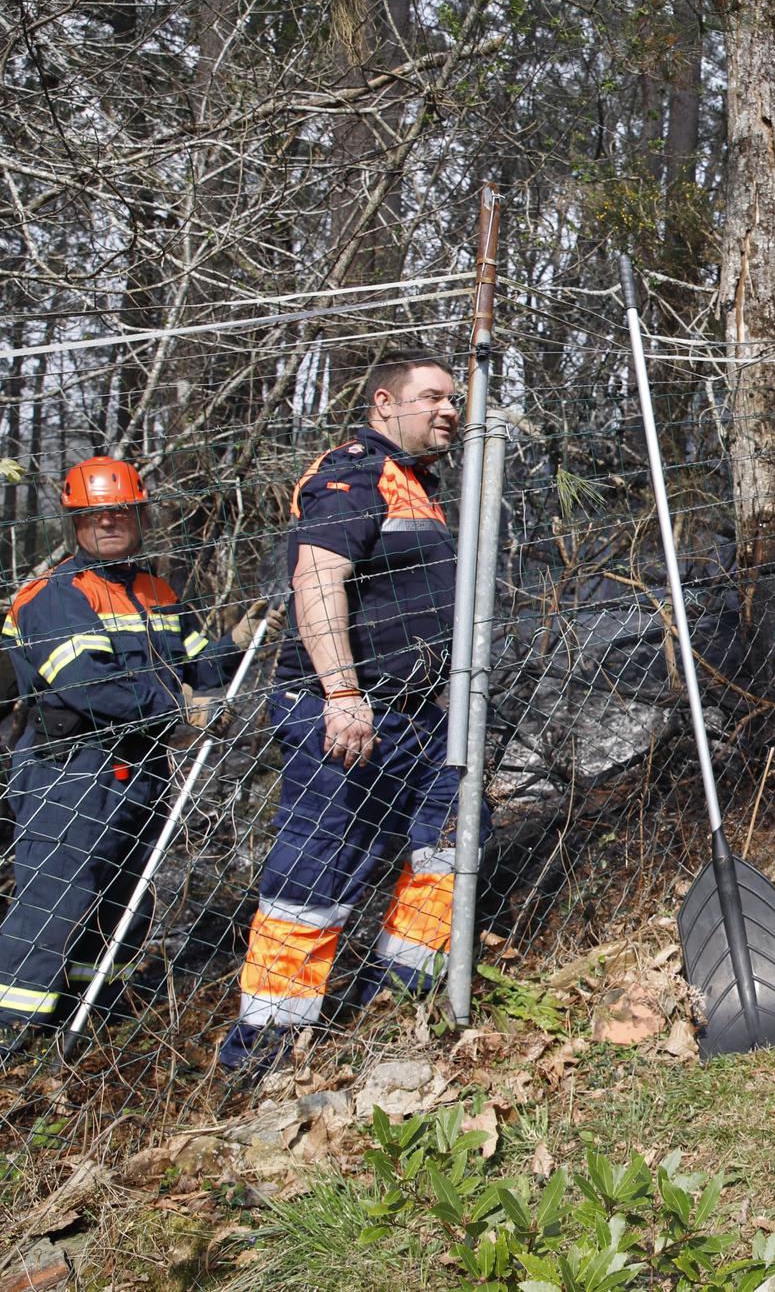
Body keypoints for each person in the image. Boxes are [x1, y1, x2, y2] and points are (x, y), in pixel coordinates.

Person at [217, 348, 466, 1074]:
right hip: (350, 711)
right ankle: (264, 1052)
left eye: (452, 397)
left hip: (422, 714)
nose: (449, 409)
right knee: (315, 876)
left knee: (447, 849)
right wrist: (344, 695)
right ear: (385, 404)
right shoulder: (354, 474)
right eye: (431, 396)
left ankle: (398, 1001)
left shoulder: (418, 485)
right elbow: (317, 582)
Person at [0, 458, 255, 1062]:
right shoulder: (54, 596)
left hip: (140, 766)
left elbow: (194, 665)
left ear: (140, 515)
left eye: (121, 511)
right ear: (76, 522)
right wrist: (182, 707)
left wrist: (235, 648)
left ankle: (94, 1010)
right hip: (71, 769)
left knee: (126, 894)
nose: (110, 522)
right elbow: (90, 686)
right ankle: (13, 1029)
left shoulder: (155, 591)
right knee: (55, 896)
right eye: (96, 515)